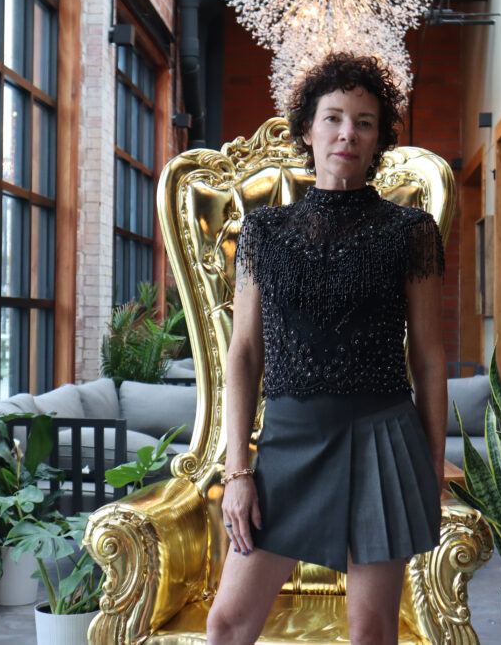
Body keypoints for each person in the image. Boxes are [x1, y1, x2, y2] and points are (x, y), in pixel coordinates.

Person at [205, 52, 447, 645]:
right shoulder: (265, 231)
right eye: (333, 117)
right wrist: (238, 470)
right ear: (307, 130)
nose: (347, 133)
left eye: (364, 122)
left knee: (370, 631)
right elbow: (243, 355)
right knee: (228, 622)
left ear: (379, 139)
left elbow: (429, 357)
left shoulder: (410, 232)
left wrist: (432, 468)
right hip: (289, 443)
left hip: (383, 439)